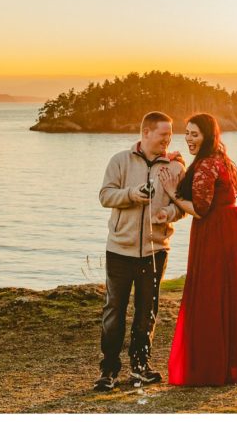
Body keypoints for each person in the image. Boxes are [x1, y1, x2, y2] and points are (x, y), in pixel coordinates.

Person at [158, 113, 237, 386]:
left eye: (195, 134)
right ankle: (236, 363)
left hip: (218, 232)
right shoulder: (220, 159)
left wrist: (172, 194)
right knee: (233, 296)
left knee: (211, 294)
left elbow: (200, 209)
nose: (189, 139)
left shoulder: (207, 165)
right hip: (234, 229)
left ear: (207, 135)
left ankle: (213, 365)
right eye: (187, 133)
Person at [94, 111, 186, 392]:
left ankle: (140, 367)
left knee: (147, 311)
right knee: (114, 311)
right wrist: (132, 194)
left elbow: (183, 207)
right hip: (119, 250)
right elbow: (105, 196)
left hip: (156, 250)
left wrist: (167, 212)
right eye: (163, 135)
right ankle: (108, 371)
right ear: (145, 133)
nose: (168, 141)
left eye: (170, 136)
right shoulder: (119, 161)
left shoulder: (175, 167)